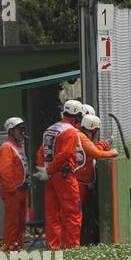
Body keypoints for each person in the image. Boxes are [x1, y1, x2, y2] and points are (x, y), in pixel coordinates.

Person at [38, 99, 87, 250]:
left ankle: (53, 245)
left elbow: (41, 152)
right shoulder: (70, 132)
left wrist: (44, 170)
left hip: (50, 177)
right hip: (64, 176)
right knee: (73, 211)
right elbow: (65, 154)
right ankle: (72, 246)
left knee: (53, 213)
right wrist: (50, 169)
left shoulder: (50, 129)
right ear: (77, 116)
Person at [0, 117, 31, 252]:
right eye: (19, 130)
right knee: (12, 221)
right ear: (11, 132)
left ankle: (19, 245)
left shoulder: (18, 147)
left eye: (23, 130)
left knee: (21, 221)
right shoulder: (7, 148)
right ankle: (10, 248)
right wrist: (13, 188)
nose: (23, 132)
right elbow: (5, 171)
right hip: (13, 191)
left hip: (22, 189)